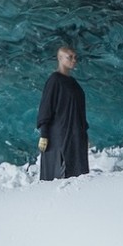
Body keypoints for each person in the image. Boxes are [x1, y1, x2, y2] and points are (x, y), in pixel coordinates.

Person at [35, 42, 89, 181]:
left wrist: (84, 133)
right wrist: (44, 134)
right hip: (59, 134)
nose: (73, 60)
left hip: (75, 134)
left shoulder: (73, 82)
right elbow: (46, 107)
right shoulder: (54, 80)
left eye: (75, 57)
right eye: (69, 57)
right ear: (60, 58)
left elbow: (79, 109)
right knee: (60, 172)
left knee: (78, 172)